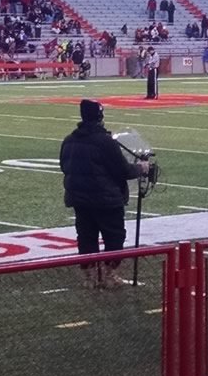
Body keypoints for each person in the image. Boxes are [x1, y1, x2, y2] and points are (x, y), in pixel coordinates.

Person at [59, 99, 149, 287]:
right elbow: (123, 170)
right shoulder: (105, 142)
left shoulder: (69, 140)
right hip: (106, 199)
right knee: (114, 237)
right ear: (100, 117)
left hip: (79, 199)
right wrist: (141, 168)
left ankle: (89, 277)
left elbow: (64, 166)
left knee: (86, 237)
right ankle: (110, 275)